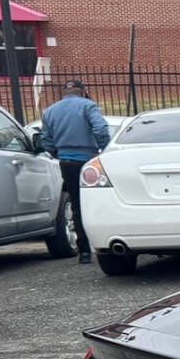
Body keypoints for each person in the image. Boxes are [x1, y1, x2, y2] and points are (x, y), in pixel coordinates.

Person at [40, 79, 110, 264]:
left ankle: (84, 252)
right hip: (89, 161)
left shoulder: (50, 111)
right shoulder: (88, 106)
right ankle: (104, 245)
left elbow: (46, 140)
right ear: (83, 91)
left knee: (77, 206)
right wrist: (105, 149)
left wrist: (58, 152)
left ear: (64, 93)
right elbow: (101, 128)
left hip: (67, 162)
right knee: (98, 203)